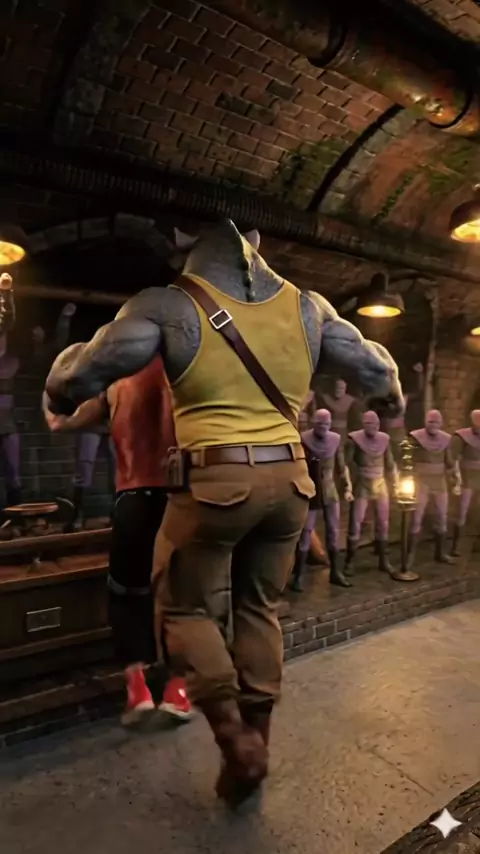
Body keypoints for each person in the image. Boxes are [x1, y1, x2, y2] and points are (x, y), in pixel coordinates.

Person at [44, 219, 403, 806]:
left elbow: (73, 381)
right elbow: (382, 378)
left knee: (183, 605)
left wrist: (59, 374)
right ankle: (257, 746)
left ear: (183, 240)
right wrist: (390, 399)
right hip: (290, 481)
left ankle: (234, 738)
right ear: (255, 241)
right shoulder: (308, 307)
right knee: (259, 607)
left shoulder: (165, 305)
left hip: (217, 481)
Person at [44, 355, 192, 725]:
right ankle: (178, 689)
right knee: (182, 593)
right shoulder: (187, 370)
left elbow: (59, 423)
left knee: (128, 592)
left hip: (134, 497)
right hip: (181, 498)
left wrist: (51, 390)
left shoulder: (115, 382)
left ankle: (137, 687)